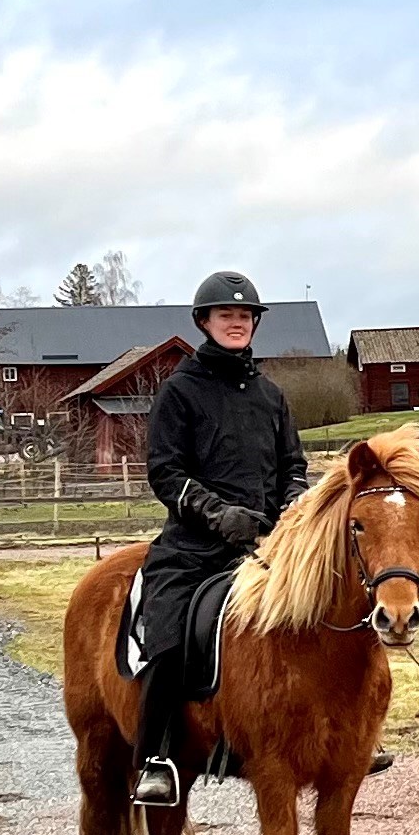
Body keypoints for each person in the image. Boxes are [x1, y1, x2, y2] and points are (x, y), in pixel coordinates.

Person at [131, 270, 309, 807]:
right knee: (170, 633)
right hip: (194, 546)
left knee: (327, 615)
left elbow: (292, 465)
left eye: (245, 316)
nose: (237, 323)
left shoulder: (271, 395)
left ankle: (337, 735)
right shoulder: (179, 391)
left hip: (268, 544)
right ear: (205, 323)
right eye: (226, 316)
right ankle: (157, 755)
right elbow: (165, 472)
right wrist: (216, 513)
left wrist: (294, 503)